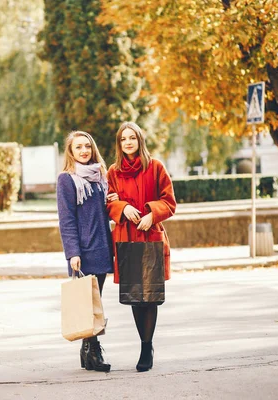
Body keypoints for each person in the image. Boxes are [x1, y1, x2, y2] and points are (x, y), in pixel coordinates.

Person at [106, 122, 176, 372]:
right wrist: (122, 207)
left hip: (151, 236)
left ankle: (148, 346)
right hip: (127, 238)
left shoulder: (155, 167)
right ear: (119, 143)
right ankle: (144, 343)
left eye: (132, 137)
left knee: (151, 297)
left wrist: (151, 213)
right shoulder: (113, 171)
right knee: (136, 297)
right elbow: (108, 202)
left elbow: (170, 202)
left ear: (139, 140)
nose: (128, 142)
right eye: (123, 138)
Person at [56, 130, 118, 372]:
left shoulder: (100, 177)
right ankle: (93, 352)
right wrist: (72, 252)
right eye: (78, 147)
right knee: (88, 303)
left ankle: (87, 352)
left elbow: (101, 212)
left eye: (87, 146)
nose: (83, 151)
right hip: (83, 250)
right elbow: (67, 219)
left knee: (96, 301)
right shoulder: (67, 179)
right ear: (70, 152)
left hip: (102, 246)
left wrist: (110, 200)